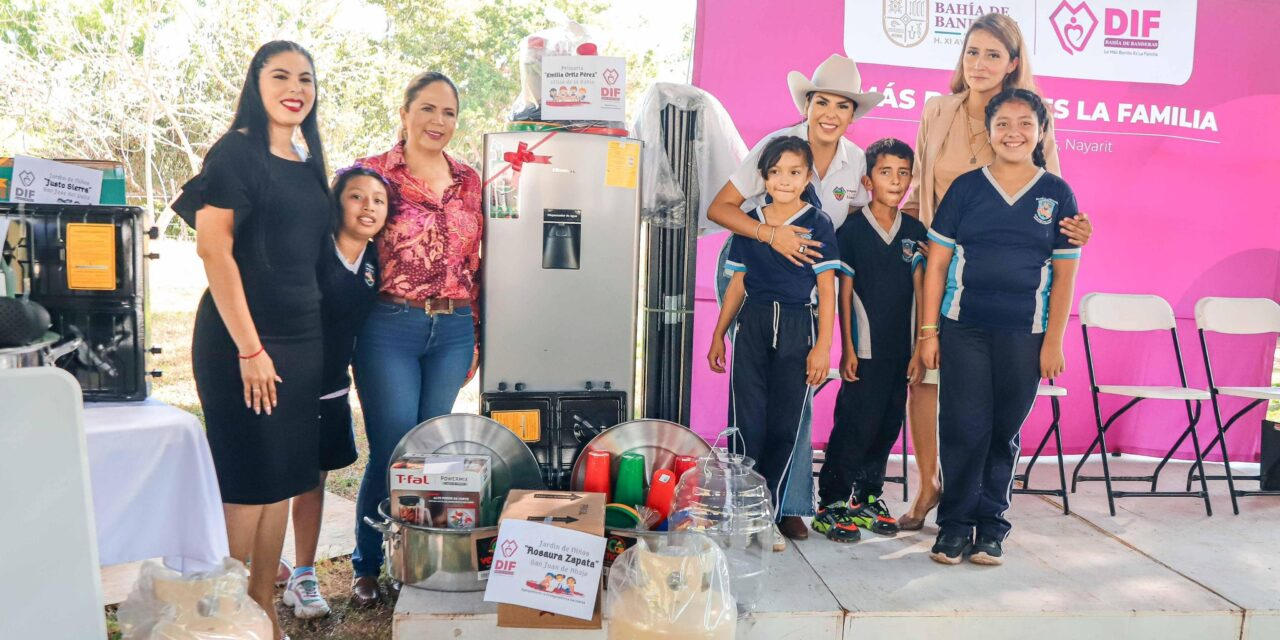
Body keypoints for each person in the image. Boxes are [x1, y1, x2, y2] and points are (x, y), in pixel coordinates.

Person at [897, 13, 1094, 531]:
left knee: (988, 414)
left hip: (1002, 292)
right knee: (923, 376)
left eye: (992, 54)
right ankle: (928, 489)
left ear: (1012, 63)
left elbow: (1053, 205)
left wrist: (1079, 229)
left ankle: (981, 514)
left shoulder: (1030, 116)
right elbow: (920, 188)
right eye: (971, 52)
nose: (979, 63)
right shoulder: (938, 110)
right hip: (935, 267)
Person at [172, 40, 331, 640]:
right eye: (281, 75)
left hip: (301, 339)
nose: (295, 87)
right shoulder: (235, 152)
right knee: (246, 483)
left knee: (283, 479)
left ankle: (261, 610)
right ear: (256, 83)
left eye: (306, 79)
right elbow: (214, 249)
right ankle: (225, 618)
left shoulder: (306, 154)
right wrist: (249, 349)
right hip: (242, 343)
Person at [706, 54, 884, 539]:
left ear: (853, 114)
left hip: (806, 293)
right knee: (751, 403)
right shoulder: (776, 147)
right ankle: (747, 502)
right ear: (807, 105)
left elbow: (863, 225)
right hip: (752, 271)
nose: (830, 113)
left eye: (842, 106)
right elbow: (721, 208)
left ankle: (786, 503)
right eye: (821, 102)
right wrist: (769, 236)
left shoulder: (857, 163)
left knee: (796, 400)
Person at [918, 88, 1081, 566]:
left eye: (1025, 123)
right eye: (1003, 123)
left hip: (1025, 335)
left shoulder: (1058, 193)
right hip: (963, 328)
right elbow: (937, 266)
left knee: (1003, 431)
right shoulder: (966, 189)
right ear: (988, 132)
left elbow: (1067, 272)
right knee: (963, 426)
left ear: (1041, 131)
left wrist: (1054, 340)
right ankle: (954, 526)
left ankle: (991, 528)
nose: (1014, 132)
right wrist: (928, 332)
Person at [348, 71, 483, 606]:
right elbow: (340, 249)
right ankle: (367, 562)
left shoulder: (471, 179)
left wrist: (481, 332)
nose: (438, 122)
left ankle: (420, 561)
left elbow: (480, 262)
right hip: (390, 326)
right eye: (428, 109)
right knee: (392, 449)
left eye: (449, 113)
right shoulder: (370, 174)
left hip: (453, 327)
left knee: (432, 452)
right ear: (404, 112)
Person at [707, 136, 839, 532]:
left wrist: (823, 347)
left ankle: (770, 516)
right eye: (776, 172)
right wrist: (719, 334)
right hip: (753, 326)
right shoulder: (751, 223)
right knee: (747, 422)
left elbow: (828, 288)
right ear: (763, 178)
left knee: (786, 426)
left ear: (807, 177)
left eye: (794, 172)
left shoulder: (818, 222)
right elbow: (737, 285)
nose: (784, 180)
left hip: (799, 327)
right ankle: (743, 512)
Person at [282, 166, 389, 619]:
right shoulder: (309, 249)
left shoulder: (373, 263)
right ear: (336, 202)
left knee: (315, 480)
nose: (368, 207)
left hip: (329, 389)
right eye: (356, 197)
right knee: (269, 481)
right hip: (283, 383)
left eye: (378, 200)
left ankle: (302, 576)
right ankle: (252, 561)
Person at [812, 138, 926, 543]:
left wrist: (918, 348)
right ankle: (833, 501)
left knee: (888, 422)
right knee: (855, 423)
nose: (895, 180)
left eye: (903, 173)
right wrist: (846, 348)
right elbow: (843, 293)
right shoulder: (852, 230)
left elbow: (922, 294)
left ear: (912, 179)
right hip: (864, 350)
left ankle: (868, 495)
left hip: (901, 351)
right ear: (868, 179)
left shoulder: (915, 233)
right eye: (885, 172)